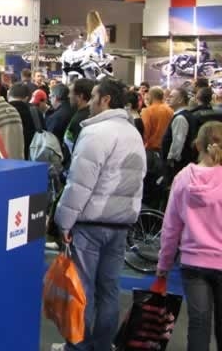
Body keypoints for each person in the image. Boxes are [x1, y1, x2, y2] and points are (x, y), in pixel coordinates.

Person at [55, 78, 147, 351]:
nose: (90, 102)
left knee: (82, 290)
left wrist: (63, 222)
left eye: (94, 96)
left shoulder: (96, 132)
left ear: (105, 99)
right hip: (120, 223)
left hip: (91, 223)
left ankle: (78, 346)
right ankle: (102, 345)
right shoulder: (132, 132)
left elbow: (79, 183)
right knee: (109, 290)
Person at [156, 121, 222, 351]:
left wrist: (163, 264)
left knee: (198, 324)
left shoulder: (183, 178)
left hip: (193, 262)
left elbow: (171, 227)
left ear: (197, 145)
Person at [161, 87, 193, 184]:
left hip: (177, 166)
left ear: (180, 100)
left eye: (171, 96)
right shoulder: (184, 115)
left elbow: (178, 142)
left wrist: (171, 159)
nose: (168, 98)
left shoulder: (180, 118)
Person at [63, 79, 94, 167]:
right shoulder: (80, 113)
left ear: (80, 96)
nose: (68, 96)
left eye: (71, 93)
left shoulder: (81, 119)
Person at [7, 83, 40, 160]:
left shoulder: (1, 111)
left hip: (5, 159)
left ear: (8, 95)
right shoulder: (35, 112)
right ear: (27, 98)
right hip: (31, 157)